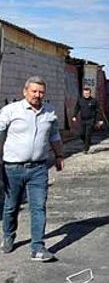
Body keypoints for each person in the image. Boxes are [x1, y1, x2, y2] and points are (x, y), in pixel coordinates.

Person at [1, 76, 64, 262]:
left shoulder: (50, 112)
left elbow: (54, 136)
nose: (38, 95)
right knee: (11, 206)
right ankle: (8, 236)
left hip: (39, 168)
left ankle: (37, 247)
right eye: (34, 91)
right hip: (12, 168)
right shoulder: (10, 111)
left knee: (38, 207)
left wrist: (59, 155)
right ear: (25, 91)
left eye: (41, 92)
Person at [72, 87, 103, 154]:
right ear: (83, 93)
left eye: (88, 93)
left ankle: (86, 149)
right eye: (85, 93)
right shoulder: (80, 100)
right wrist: (74, 116)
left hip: (91, 120)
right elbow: (76, 108)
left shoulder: (94, 101)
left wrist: (100, 120)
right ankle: (87, 142)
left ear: (90, 93)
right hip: (83, 120)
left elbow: (98, 111)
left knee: (88, 134)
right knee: (81, 134)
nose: (86, 94)